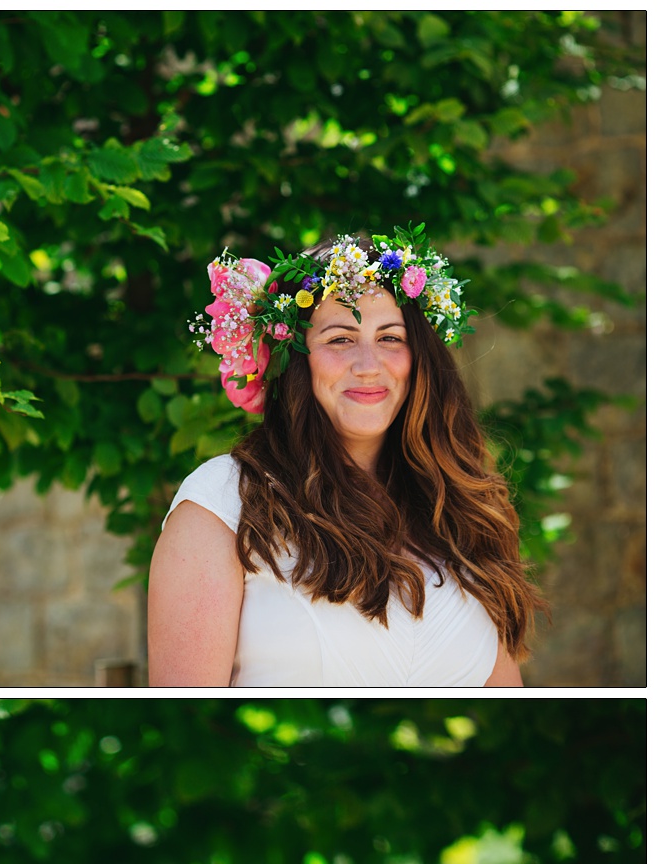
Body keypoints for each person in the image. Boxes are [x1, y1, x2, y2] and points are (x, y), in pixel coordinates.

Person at [148, 228, 544, 687]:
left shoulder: (460, 509)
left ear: (420, 358)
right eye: (340, 339)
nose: (369, 364)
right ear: (297, 360)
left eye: (391, 338)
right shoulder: (222, 504)